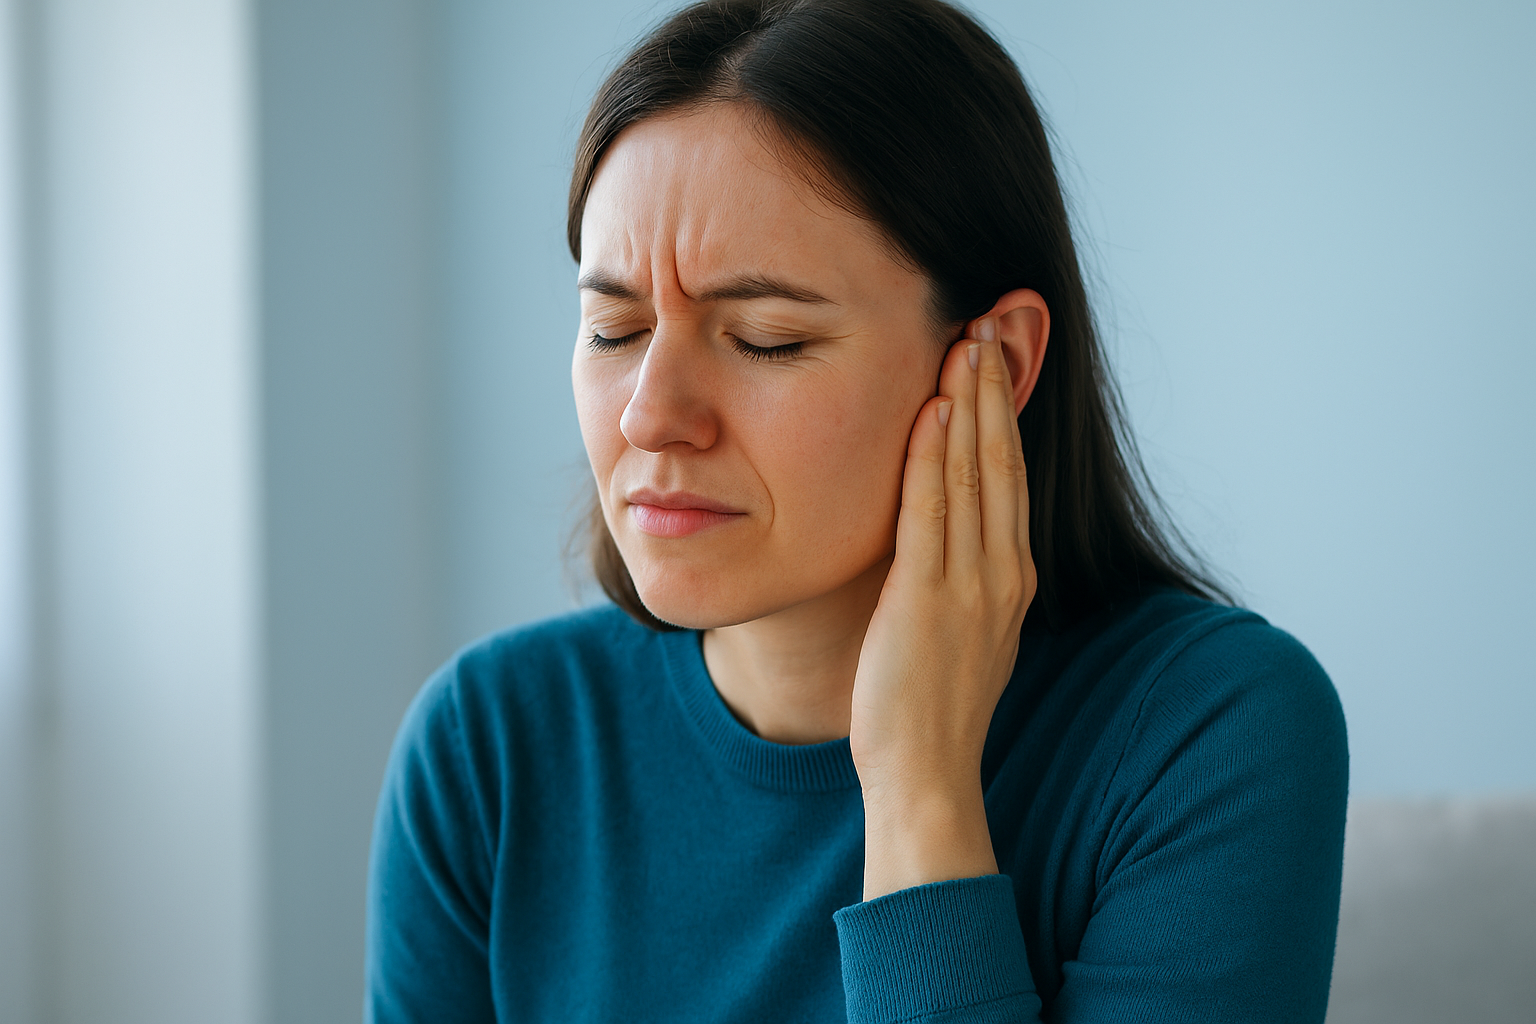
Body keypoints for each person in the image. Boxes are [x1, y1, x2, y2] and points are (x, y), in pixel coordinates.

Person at [364, 1, 1349, 1021]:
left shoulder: (1209, 733)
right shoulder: (488, 750)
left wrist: (920, 783)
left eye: (765, 339)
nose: (651, 416)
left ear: (997, 361)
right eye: (615, 327)